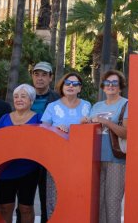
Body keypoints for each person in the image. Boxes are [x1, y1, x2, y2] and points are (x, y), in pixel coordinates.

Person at [41, 70, 92, 217]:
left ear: (80, 88)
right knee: (54, 197)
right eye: (68, 83)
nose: (71, 86)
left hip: (80, 160)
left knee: (77, 195)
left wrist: (87, 123)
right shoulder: (52, 106)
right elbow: (43, 130)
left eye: (75, 84)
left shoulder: (87, 106)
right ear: (62, 86)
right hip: (56, 158)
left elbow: (94, 128)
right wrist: (55, 128)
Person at [0, 84, 43, 223]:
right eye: (16, 96)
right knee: (5, 207)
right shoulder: (4, 118)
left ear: (31, 101)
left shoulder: (39, 119)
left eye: (23, 96)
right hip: (5, 170)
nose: (19, 99)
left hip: (28, 169)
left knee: (26, 208)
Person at [87, 69, 128, 223]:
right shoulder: (96, 106)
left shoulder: (126, 104)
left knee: (112, 202)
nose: (110, 86)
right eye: (107, 83)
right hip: (94, 160)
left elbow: (126, 133)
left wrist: (107, 122)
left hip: (115, 159)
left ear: (120, 86)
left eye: (114, 83)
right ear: (103, 86)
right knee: (97, 202)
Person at [28, 61, 58, 221]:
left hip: (49, 154)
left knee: (48, 198)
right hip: (26, 154)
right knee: (25, 200)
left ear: (50, 78)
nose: (40, 78)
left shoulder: (58, 99)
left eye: (44, 75)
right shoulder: (22, 96)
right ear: (32, 76)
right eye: (36, 74)